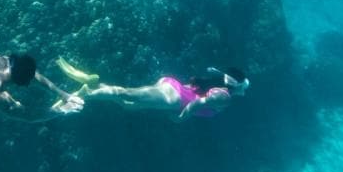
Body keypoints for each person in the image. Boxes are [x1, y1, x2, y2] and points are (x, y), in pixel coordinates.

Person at [63, 61, 249, 120]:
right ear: (237, 86)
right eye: (243, 88)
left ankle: (96, 84)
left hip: (173, 91)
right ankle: (88, 92)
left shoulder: (219, 88)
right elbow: (197, 102)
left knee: (127, 104)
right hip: (172, 98)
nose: (244, 93)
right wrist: (182, 119)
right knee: (126, 93)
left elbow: (192, 91)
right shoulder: (224, 97)